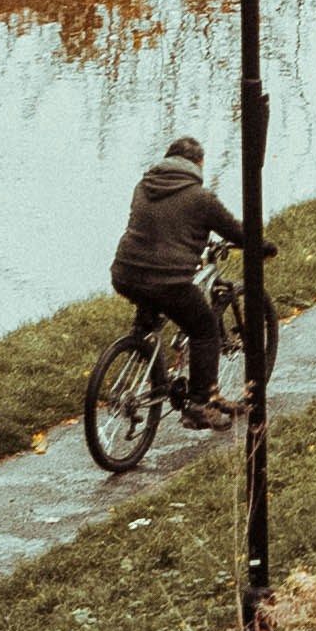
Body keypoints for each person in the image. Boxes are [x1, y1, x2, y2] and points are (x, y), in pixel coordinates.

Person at [112, 134, 245, 426]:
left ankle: (148, 355)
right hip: (167, 281)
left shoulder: (144, 186)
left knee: (151, 314)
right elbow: (234, 231)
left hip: (125, 273)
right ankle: (199, 404)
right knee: (204, 329)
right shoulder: (201, 198)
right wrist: (263, 245)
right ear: (197, 164)